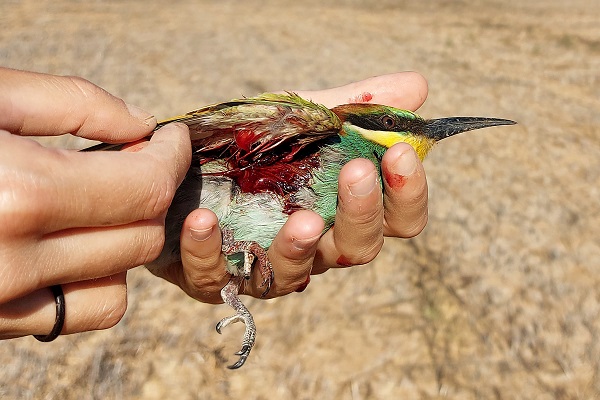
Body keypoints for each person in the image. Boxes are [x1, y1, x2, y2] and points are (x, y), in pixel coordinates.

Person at [0, 67, 429, 339]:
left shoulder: (363, 189)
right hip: (175, 183)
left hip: (168, 236)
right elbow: (188, 133)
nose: (416, 138)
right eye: (390, 123)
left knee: (238, 258)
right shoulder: (323, 127)